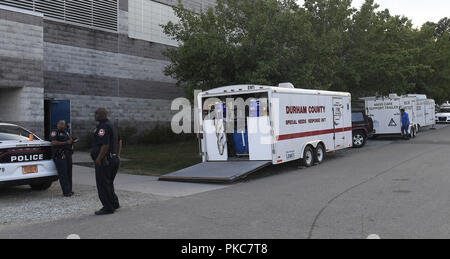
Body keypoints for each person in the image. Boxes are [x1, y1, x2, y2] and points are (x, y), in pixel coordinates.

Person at [91, 108, 120, 215]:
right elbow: (119, 140)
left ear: (103, 114)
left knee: (102, 184)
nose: (94, 114)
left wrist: (98, 159)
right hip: (113, 159)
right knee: (109, 183)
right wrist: (117, 154)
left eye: (96, 113)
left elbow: (105, 144)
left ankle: (108, 207)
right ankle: (114, 203)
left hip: (104, 161)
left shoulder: (103, 126)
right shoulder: (111, 125)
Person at [50, 120, 77, 197]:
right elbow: (54, 142)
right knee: (63, 174)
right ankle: (66, 192)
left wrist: (73, 141)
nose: (60, 125)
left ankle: (69, 190)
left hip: (68, 155)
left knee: (69, 173)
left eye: (62, 124)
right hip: (60, 155)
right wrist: (66, 143)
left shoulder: (66, 132)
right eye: (59, 124)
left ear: (65, 126)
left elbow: (69, 142)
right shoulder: (54, 132)